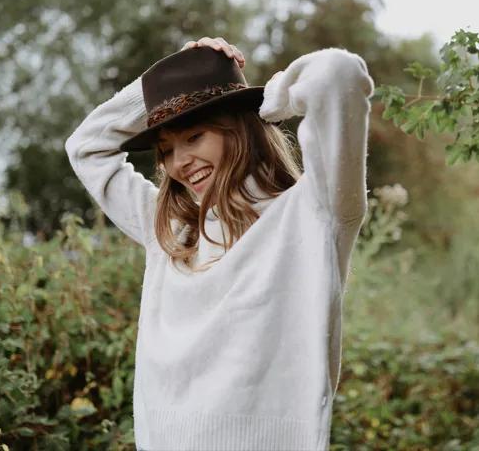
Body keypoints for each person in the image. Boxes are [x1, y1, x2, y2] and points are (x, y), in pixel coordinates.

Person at [65, 36, 374, 451]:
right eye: (166, 150)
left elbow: (338, 74)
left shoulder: (314, 213)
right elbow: (85, 148)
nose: (179, 163)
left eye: (194, 137)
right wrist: (166, 79)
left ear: (240, 127)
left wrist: (270, 103)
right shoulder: (171, 231)